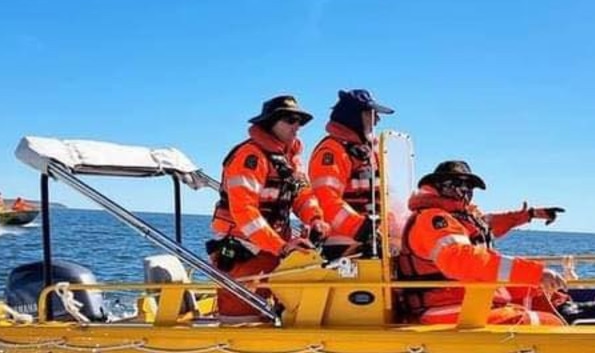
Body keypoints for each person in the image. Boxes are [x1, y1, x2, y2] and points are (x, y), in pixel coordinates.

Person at [395, 160, 569, 325]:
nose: (464, 191)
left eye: (469, 186)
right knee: (546, 324)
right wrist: (534, 272)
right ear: (440, 186)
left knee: (534, 290)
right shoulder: (433, 219)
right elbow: (461, 260)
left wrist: (531, 214)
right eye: (458, 184)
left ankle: (567, 309)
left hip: (467, 296)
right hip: (442, 304)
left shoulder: (459, 217)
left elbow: (487, 226)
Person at [208, 94, 325, 319]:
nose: (297, 126)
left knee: (284, 315)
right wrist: (281, 247)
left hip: (276, 249)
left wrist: (315, 219)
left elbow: (302, 195)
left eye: (299, 121)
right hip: (245, 251)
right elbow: (244, 212)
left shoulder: (291, 160)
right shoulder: (249, 157)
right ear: (271, 123)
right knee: (241, 319)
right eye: (290, 120)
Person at [307, 89, 395, 260]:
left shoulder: (371, 152)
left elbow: (385, 197)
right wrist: (362, 229)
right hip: (344, 247)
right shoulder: (332, 151)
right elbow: (325, 199)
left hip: (374, 243)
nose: (377, 120)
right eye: (372, 114)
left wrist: (395, 225)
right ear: (354, 117)